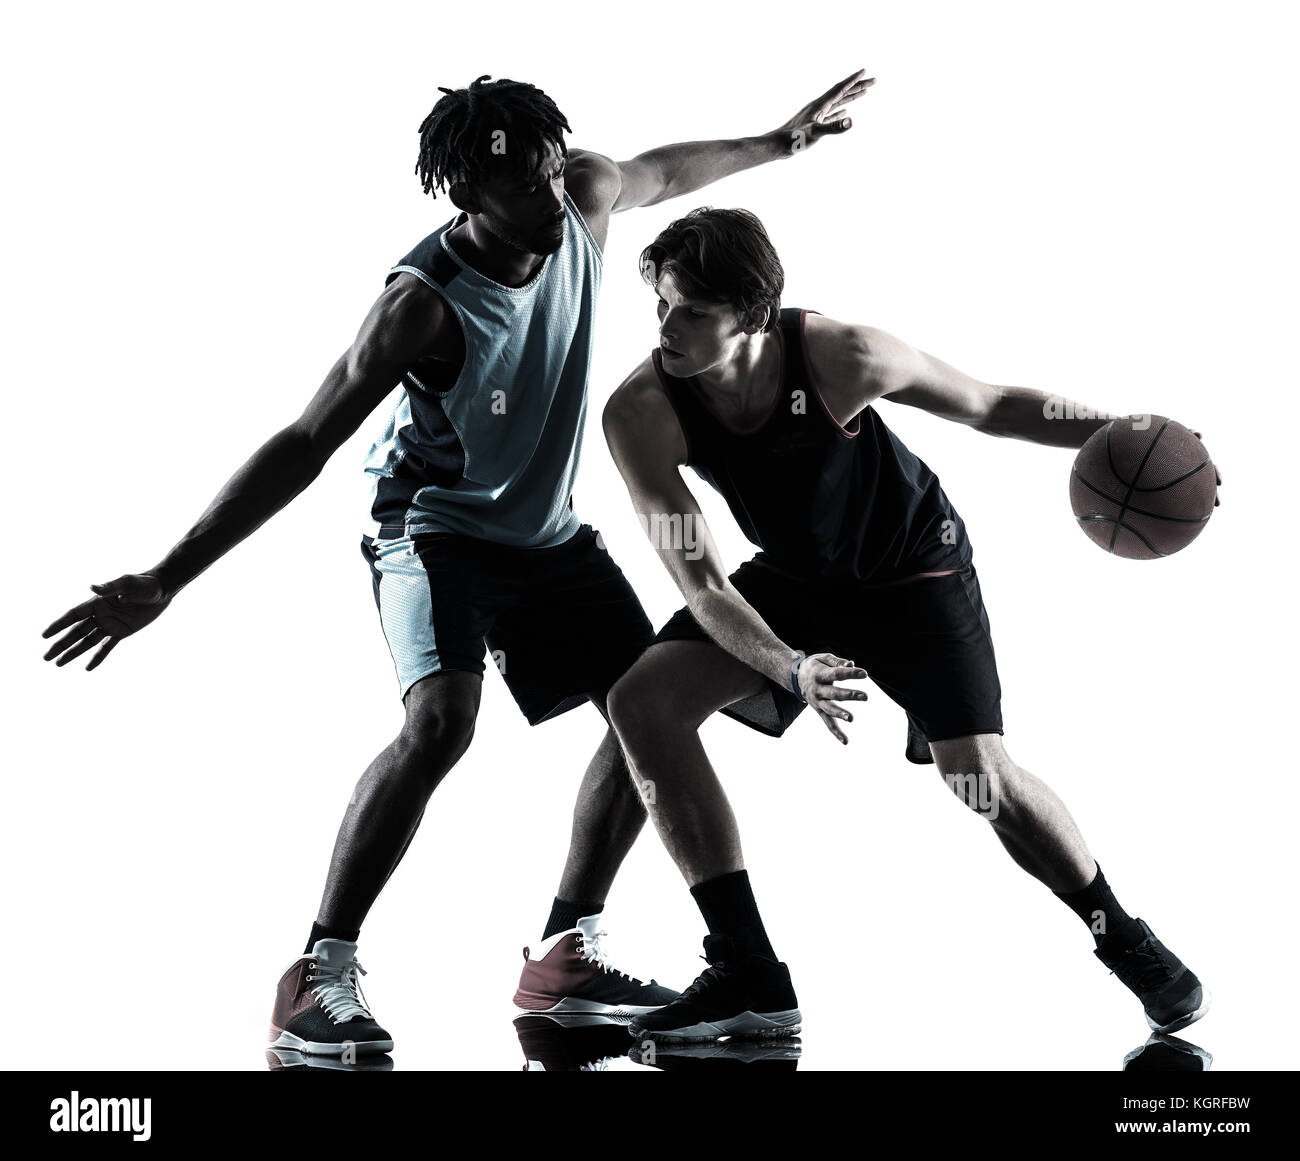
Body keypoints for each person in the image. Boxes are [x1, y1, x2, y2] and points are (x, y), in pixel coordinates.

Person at [40, 73, 873, 1057]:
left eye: (553, 173)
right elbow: (304, 441)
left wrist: (774, 144)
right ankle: (317, 974)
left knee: (648, 707)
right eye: (523, 188)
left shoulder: (583, 198)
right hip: (433, 533)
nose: (548, 199)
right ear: (467, 199)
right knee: (441, 723)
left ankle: (565, 951)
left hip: (546, 534)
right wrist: (168, 575)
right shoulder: (422, 307)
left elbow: (661, 171)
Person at [602, 206, 1219, 1042]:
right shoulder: (642, 411)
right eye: (660, 306)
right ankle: (748, 968)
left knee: (977, 778)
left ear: (749, 314)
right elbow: (703, 582)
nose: (665, 328)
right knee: (642, 700)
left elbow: (988, 402)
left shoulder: (842, 356)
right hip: (793, 579)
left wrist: (1117, 431)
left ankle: (1121, 932)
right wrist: (789, 665)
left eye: (689, 311)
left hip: (913, 569)